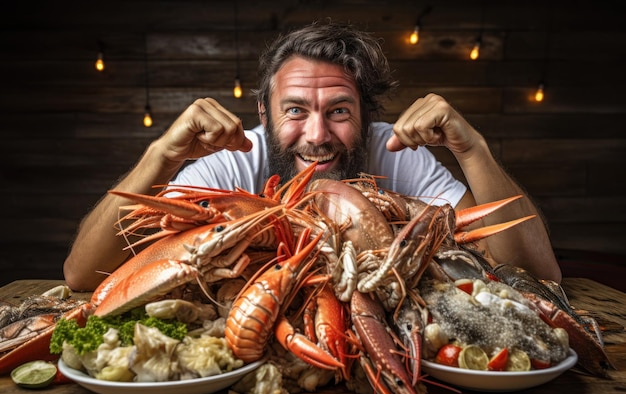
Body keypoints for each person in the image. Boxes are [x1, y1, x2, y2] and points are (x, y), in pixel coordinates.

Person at [63, 21, 562, 292]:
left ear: (365, 115)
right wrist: (160, 156)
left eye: (339, 110)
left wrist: (472, 149)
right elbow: (83, 277)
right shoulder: (239, 158)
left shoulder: (395, 152)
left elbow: (540, 275)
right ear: (263, 112)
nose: (317, 135)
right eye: (295, 110)